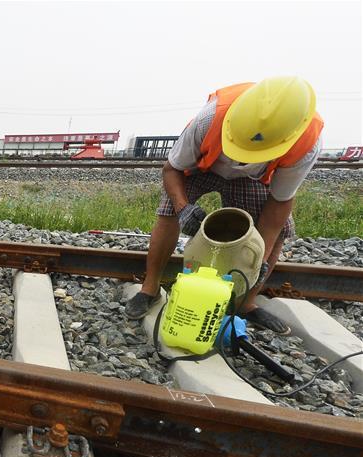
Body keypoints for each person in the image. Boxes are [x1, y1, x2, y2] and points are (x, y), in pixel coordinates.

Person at [124, 76, 323, 334]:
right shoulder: (210, 118)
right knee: (168, 210)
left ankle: (245, 303)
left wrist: (258, 257)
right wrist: (184, 208)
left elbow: (279, 204)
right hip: (202, 166)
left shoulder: (306, 142)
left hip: (255, 180)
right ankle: (150, 288)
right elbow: (171, 169)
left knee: (281, 231)